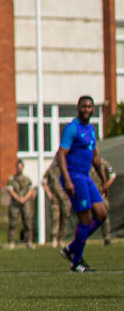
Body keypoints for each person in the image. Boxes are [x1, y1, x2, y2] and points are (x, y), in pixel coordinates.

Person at [55, 95, 109, 272]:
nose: (86, 109)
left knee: (101, 214)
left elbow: (95, 157)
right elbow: (60, 154)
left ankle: (71, 249)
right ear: (78, 108)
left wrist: (104, 180)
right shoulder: (72, 128)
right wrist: (67, 180)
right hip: (74, 177)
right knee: (85, 219)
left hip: (86, 177)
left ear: (93, 109)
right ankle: (76, 262)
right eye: (83, 106)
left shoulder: (91, 129)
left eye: (89, 106)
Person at [6, 159, 37, 249]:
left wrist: (25, 199)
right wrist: (19, 198)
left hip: (26, 203)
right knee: (13, 223)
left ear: (23, 167)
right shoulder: (11, 179)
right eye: (18, 167)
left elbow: (31, 190)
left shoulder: (27, 179)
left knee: (28, 222)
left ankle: (29, 242)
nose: (19, 168)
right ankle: (11, 242)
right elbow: (10, 190)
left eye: (20, 167)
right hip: (15, 204)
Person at [43, 158, 72, 247]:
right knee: (55, 218)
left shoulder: (68, 169)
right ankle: (54, 238)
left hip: (65, 199)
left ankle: (61, 239)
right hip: (55, 199)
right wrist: (49, 194)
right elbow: (43, 182)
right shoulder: (51, 170)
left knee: (65, 219)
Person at [93, 159, 115, 245]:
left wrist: (105, 186)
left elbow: (113, 175)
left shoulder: (103, 163)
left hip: (100, 194)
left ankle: (107, 238)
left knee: (104, 215)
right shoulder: (85, 162)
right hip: (88, 193)